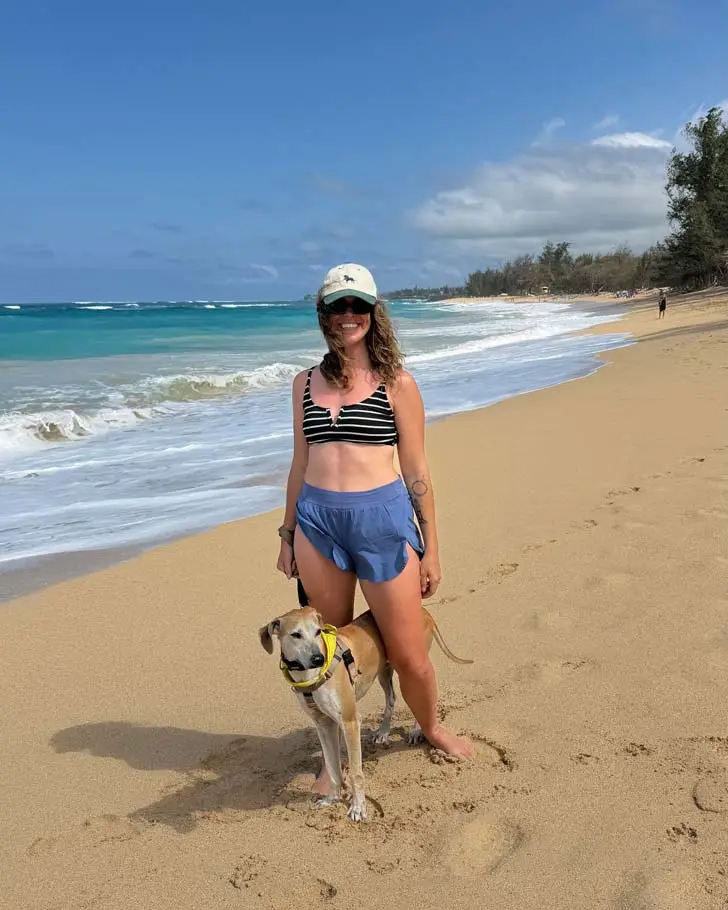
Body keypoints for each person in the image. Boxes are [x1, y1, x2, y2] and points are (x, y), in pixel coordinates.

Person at [276, 263, 473, 791]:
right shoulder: (304, 384)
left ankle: (432, 727)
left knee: (408, 654)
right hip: (318, 525)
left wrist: (431, 548)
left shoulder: (398, 384)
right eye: (337, 306)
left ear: (373, 312)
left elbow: (417, 470)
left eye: (358, 305)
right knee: (330, 654)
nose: (348, 315)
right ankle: (333, 761)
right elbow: (300, 463)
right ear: (324, 314)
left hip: (384, 524)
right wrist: (288, 535)